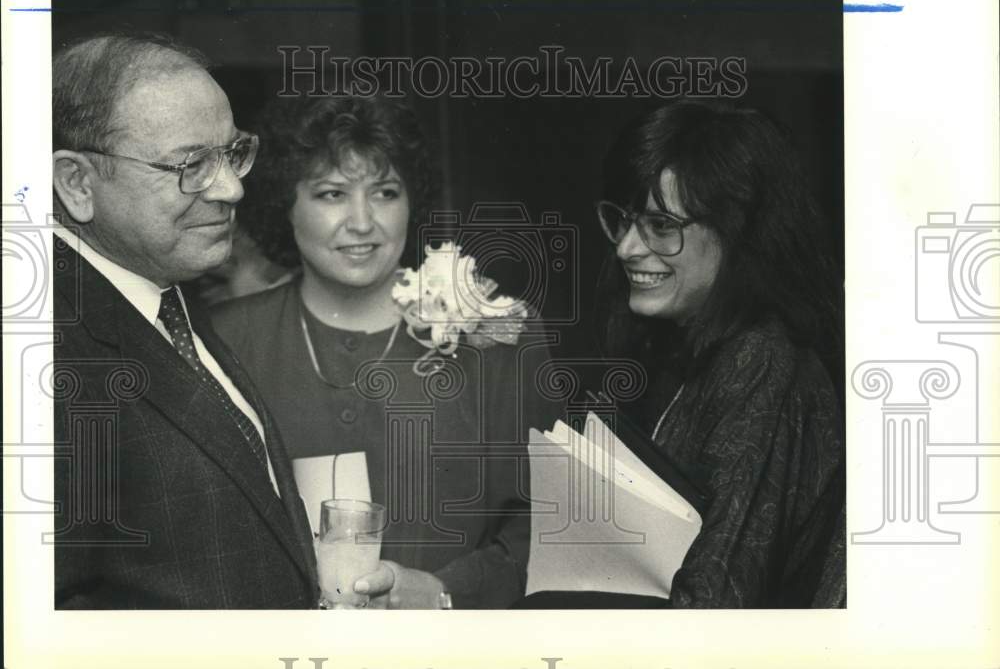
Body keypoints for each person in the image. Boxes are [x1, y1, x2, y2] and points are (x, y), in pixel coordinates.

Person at [210, 94, 559, 609]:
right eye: (331, 194)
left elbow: (551, 522)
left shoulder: (498, 333)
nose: (362, 221)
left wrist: (446, 591)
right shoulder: (224, 340)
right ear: (285, 204)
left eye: (385, 192)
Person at [50, 33, 318, 608]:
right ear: (76, 183)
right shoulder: (42, 351)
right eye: (192, 164)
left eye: (232, 153)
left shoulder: (166, 296)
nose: (232, 187)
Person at [594, 99, 845, 607]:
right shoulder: (678, 344)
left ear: (738, 235)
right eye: (623, 220)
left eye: (660, 226)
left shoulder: (765, 363)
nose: (625, 248)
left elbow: (713, 609)